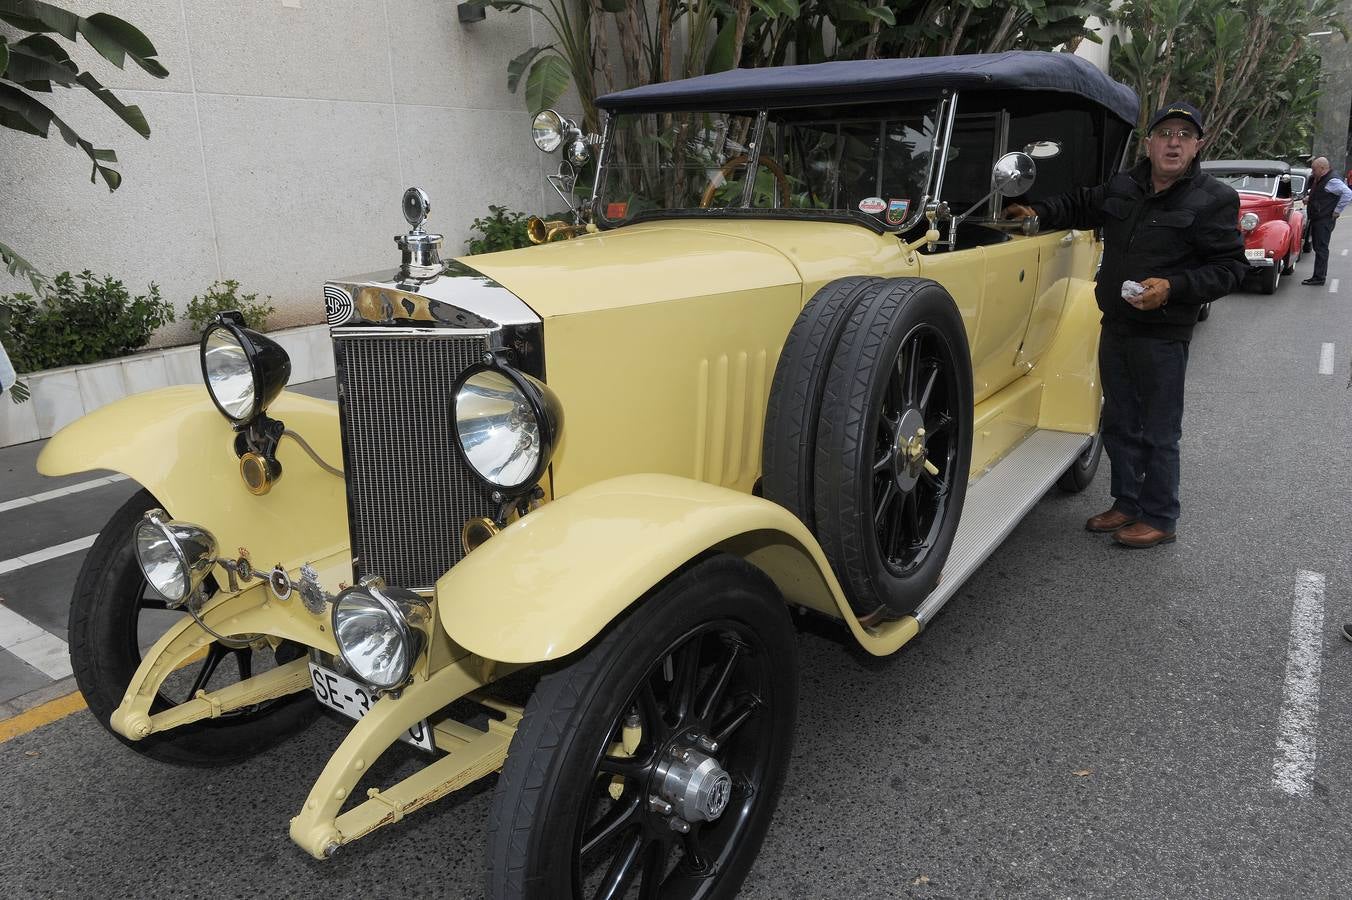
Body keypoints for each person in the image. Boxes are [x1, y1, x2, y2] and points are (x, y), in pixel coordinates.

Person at [1004, 101, 1247, 548]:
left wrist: (1173, 287)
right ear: (1149, 142)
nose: (1174, 141)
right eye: (1166, 133)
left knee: (1158, 430)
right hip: (1116, 324)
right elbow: (1080, 204)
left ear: (1197, 146)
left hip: (1163, 332)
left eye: (1184, 135)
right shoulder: (1124, 185)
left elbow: (1230, 268)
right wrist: (1035, 212)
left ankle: (1160, 517)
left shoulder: (1213, 198)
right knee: (1118, 421)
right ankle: (1127, 502)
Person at [1300, 156, 1352, 286]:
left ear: (1323, 168)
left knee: (1321, 248)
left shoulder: (1332, 180)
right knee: (1318, 247)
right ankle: (1318, 276)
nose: (1312, 172)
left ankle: (1319, 277)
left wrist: (1337, 210)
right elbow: (1320, 192)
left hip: (1324, 219)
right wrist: (1309, 198)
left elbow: (1347, 193)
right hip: (1319, 218)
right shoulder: (1323, 178)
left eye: (1314, 169)